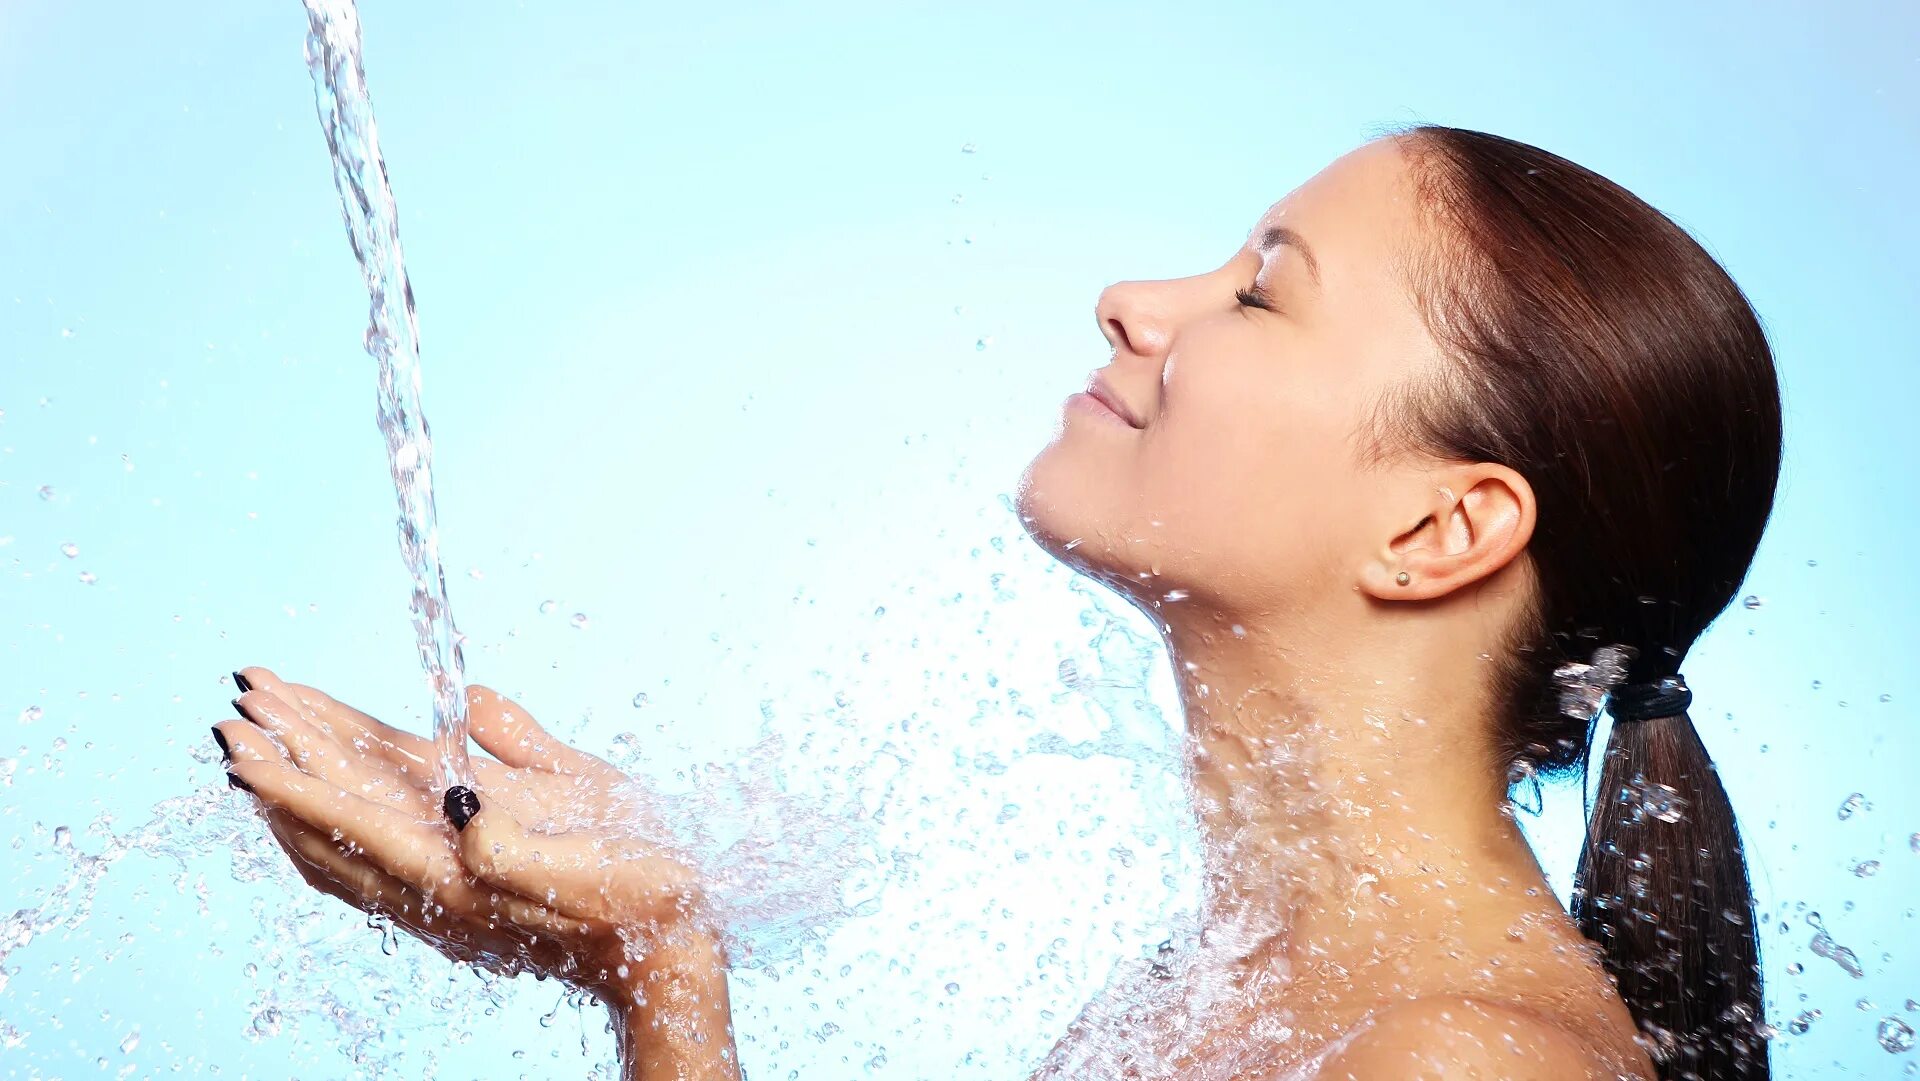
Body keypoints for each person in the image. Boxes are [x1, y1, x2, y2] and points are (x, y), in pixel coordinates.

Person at [212, 124, 1781, 1080]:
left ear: (1440, 525)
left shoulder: (1461, 1061)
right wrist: (648, 962)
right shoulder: (1224, 987)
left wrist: (661, 972)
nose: (1131, 299)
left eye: (1257, 290)